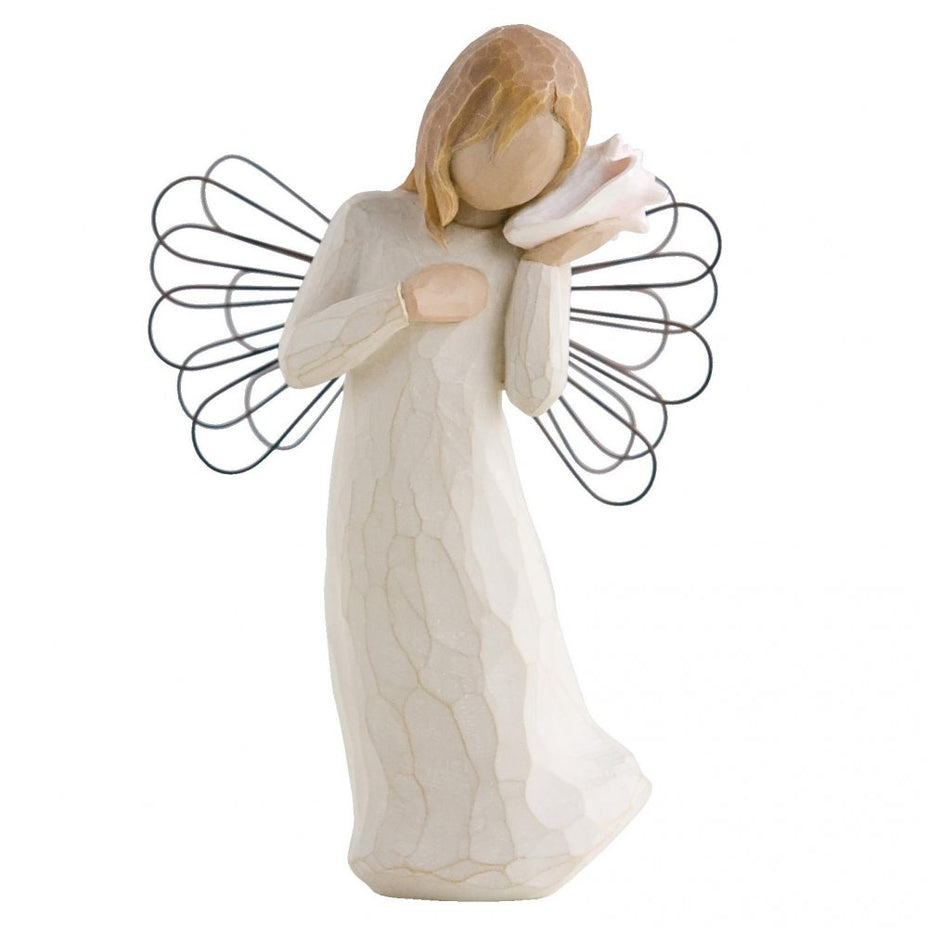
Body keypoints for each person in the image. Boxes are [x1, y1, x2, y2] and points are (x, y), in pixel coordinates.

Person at [278, 24, 649, 901]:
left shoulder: (519, 252)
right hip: (378, 502)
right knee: (396, 661)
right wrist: (402, 303)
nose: (513, 180)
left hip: (477, 501)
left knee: (501, 655)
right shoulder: (369, 224)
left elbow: (535, 389)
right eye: (496, 147)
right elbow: (298, 357)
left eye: (541, 166)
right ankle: (411, 833)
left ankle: (527, 822)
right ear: (447, 127)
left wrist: (549, 265)